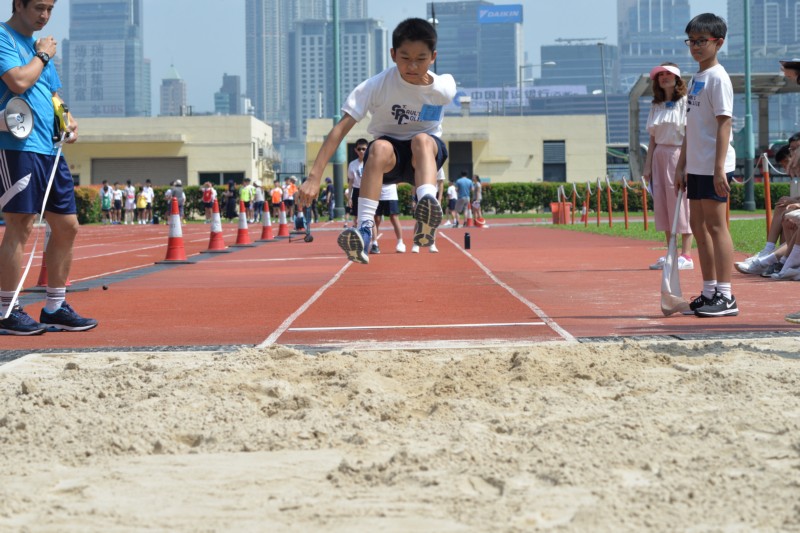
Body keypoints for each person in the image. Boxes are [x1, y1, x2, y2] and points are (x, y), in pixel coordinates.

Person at [297, 18, 456, 264]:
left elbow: (435, 102)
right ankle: (364, 230)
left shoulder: (443, 87)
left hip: (424, 158)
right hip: (389, 158)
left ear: (433, 57)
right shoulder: (376, 86)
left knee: (422, 140)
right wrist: (314, 177)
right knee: (379, 146)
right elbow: (339, 130)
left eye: (421, 59)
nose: (412, 66)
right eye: (405, 58)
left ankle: (426, 209)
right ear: (393, 54)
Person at [0, 0, 97, 334]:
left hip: (49, 149)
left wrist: (68, 119)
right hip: (17, 146)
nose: (45, 15)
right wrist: (41, 55)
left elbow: (53, 94)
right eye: (39, 7)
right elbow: (18, 81)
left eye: (51, 9)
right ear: (18, 4)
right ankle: (6, 310)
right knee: (20, 224)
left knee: (68, 225)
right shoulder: (5, 38)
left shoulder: (39, 49)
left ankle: (55, 306)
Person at [674, 13, 738, 317]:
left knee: (716, 226)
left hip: (715, 166)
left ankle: (726, 295)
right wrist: (682, 166)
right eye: (692, 40)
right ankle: (709, 290)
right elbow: (691, 126)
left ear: (718, 43)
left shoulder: (718, 78)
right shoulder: (696, 78)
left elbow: (724, 124)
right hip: (696, 166)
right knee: (699, 229)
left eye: (703, 41)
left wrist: (718, 168)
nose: (696, 46)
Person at [643, 62, 694, 271]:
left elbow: (689, 134)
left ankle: (687, 255)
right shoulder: (656, 104)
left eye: (668, 74)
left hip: (678, 153)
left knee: (681, 204)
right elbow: (653, 139)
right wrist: (647, 166)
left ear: (677, 78)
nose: (664, 77)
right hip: (659, 156)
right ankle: (671, 252)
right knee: (663, 204)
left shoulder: (685, 102)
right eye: (660, 74)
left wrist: (686, 163)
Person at [372, 183, 406, 253]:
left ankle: (400, 242)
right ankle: (374, 244)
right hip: (377, 194)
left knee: (394, 218)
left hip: (391, 194)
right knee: (376, 219)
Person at [346, 138, 368, 228]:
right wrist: (349, 198)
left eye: (363, 149)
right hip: (357, 190)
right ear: (355, 150)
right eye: (359, 149)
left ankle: (371, 236)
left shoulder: (370, 162)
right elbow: (351, 181)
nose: (361, 151)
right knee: (356, 215)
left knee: (369, 214)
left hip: (368, 190)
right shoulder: (352, 164)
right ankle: (357, 231)